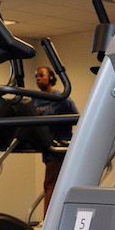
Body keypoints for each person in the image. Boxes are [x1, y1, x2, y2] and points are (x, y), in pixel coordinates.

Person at [34, 66, 77, 216]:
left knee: (49, 184)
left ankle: (47, 221)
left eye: (41, 75)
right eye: (36, 76)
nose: (38, 78)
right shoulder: (35, 100)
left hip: (60, 145)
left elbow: (76, 118)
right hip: (47, 145)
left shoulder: (62, 99)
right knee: (53, 184)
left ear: (51, 78)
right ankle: (53, 218)